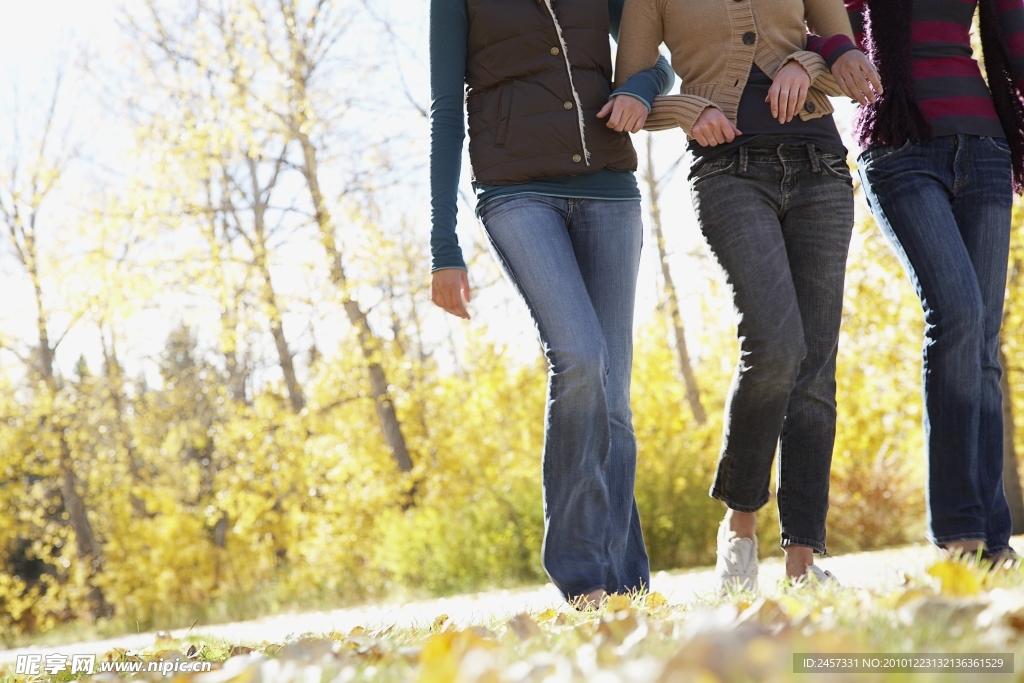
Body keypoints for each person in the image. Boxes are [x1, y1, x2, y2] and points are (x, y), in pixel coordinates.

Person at [614, 0, 881, 590]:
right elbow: (632, 90)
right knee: (774, 346)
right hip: (728, 172)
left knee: (815, 367)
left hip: (820, 167)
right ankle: (739, 524)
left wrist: (806, 65)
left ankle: (803, 559)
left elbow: (845, 55)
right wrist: (690, 108)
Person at [428, 0, 675, 606]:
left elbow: (658, 60)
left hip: (610, 192)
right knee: (580, 357)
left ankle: (625, 586)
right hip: (517, 193)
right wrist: (443, 246)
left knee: (612, 398)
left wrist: (640, 88)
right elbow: (446, 111)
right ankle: (582, 577)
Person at [819, 0, 1024, 563]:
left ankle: (992, 538)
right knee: (956, 316)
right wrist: (835, 50)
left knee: (982, 345)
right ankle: (960, 533)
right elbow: (812, 24)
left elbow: (1016, 36)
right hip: (897, 145)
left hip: (984, 145)